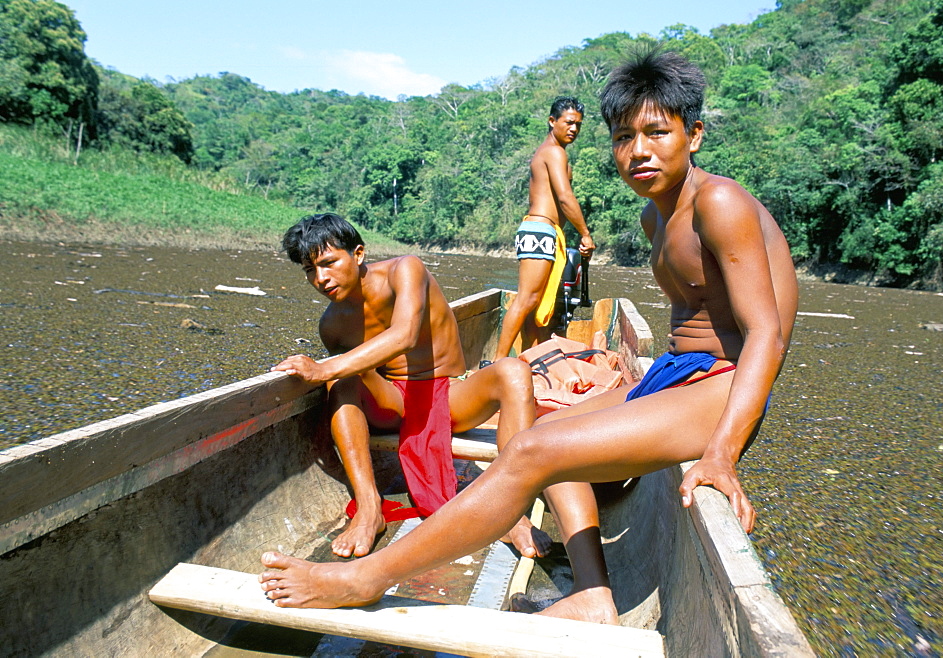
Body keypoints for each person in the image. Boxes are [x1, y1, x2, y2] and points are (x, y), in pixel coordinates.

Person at [259, 48, 799, 623]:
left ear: (693, 135)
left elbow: (767, 332)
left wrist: (721, 453)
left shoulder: (718, 201)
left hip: (727, 384)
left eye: (657, 133)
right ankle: (593, 595)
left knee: (537, 452)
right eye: (623, 136)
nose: (638, 150)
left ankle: (365, 578)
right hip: (678, 372)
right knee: (541, 430)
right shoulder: (655, 216)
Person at [271, 213, 551, 560]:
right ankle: (370, 506)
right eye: (310, 271)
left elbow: (404, 335)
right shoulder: (331, 324)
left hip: (451, 394)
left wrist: (322, 368)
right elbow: (356, 377)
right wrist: (329, 372)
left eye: (328, 263)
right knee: (343, 381)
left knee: (513, 371)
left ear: (357, 254)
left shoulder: (407, 269)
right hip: (395, 403)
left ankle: (510, 508)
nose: (321, 278)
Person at [492, 97, 596, 362]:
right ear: (552, 121)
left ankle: (529, 359)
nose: (574, 129)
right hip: (538, 230)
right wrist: (584, 233)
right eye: (569, 122)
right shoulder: (553, 152)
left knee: (538, 303)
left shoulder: (554, 152)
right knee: (527, 299)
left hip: (547, 232)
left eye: (578, 125)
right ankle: (496, 363)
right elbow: (564, 197)